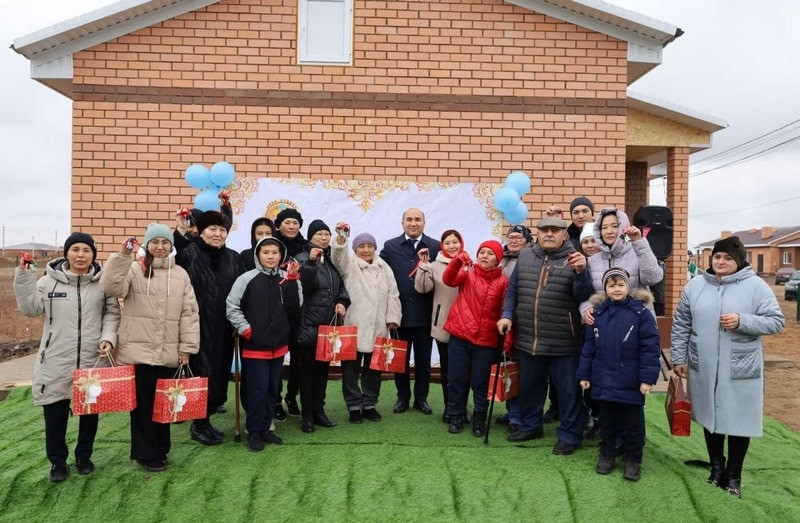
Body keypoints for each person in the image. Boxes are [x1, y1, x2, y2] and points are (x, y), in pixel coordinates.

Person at [670, 236, 784, 498]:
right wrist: (678, 358)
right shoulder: (696, 286)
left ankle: (734, 475)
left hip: (740, 367)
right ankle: (716, 468)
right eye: (718, 257)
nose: (721, 262)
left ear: (740, 261)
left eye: (728, 258)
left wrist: (742, 321)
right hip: (704, 365)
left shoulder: (756, 287)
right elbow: (681, 323)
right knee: (710, 418)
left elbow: (776, 321)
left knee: (738, 420)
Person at [13, 233, 120, 482]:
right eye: (75, 250)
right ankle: (57, 462)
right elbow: (30, 309)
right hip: (56, 358)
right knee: (55, 412)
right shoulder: (48, 283)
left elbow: (112, 313)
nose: (80, 255)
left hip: (93, 358)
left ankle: (84, 456)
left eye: (86, 250)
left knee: (90, 411)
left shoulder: (102, 283)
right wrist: (25, 276)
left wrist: (108, 337)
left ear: (94, 254)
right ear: (66, 253)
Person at [100, 224, 199, 472]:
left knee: (163, 403)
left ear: (171, 246)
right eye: (154, 242)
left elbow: (189, 313)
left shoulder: (181, 275)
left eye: (165, 242)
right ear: (146, 245)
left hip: (168, 352)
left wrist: (186, 348)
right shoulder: (134, 269)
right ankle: (146, 453)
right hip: (138, 351)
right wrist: (123, 257)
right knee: (142, 405)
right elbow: (111, 288)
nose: (160, 247)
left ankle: (161, 449)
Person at [497, 216, 593, 455]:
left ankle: (570, 435)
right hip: (529, 338)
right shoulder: (526, 255)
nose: (549, 234)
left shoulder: (576, 259)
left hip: (564, 341)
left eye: (555, 230)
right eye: (544, 230)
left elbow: (584, 295)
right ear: (537, 233)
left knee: (568, 391)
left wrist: (581, 273)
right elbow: (514, 290)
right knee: (530, 387)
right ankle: (532, 425)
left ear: (564, 235)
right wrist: (507, 314)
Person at [577, 268, 660, 481]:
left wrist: (647, 379)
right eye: (612, 285)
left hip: (630, 381)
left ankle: (633, 459)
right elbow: (589, 348)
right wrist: (585, 375)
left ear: (628, 286)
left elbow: (650, 348)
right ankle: (607, 454)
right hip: (603, 380)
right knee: (607, 421)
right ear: (605, 288)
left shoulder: (640, 314)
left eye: (620, 285)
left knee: (633, 424)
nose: (616, 289)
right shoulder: (597, 314)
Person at [226, 237, 302, 451]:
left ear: (281, 255)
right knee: (257, 390)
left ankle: (268, 428)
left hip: (278, 345)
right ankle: (254, 430)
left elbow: (296, 306)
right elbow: (232, 306)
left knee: (272, 389)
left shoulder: (286, 279)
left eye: (275, 253)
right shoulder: (246, 279)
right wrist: (246, 330)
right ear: (258, 255)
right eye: (266, 252)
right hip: (254, 346)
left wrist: (294, 280)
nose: (270, 256)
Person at [178, 210, 243, 445]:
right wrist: (181, 230)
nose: (217, 234)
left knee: (218, 373)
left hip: (224, 326)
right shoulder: (191, 252)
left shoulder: (234, 258)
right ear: (202, 232)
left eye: (222, 230)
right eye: (212, 229)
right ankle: (198, 423)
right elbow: (175, 254)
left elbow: (240, 292)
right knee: (200, 373)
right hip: (197, 324)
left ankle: (207, 418)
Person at [331, 225, 402, 423]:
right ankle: (354, 406)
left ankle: (369, 404)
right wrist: (341, 238)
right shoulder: (350, 264)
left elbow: (393, 294)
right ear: (355, 249)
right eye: (361, 246)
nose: (366, 250)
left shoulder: (384, 267)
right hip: (353, 326)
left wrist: (393, 318)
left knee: (374, 370)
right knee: (350, 370)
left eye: (370, 246)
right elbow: (338, 257)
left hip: (378, 327)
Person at [443, 240, 509, 437]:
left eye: (490, 253)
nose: (484, 256)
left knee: (480, 382)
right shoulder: (468, 273)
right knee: (456, 379)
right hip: (460, 336)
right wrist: (456, 262)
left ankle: (479, 418)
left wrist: (507, 339)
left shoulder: (503, 282)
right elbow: (449, 279)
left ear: (498, 259)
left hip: (486, 341)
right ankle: (455, 415)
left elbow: (505, 310)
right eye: (482, 252)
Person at [380, 208, 441, 415]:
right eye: (409, 219)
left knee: (423, 361)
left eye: (417, 220)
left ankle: (421, 399)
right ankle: (403, 397)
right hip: (399, 316)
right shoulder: (390, 246)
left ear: (424, 222)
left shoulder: (435, 246)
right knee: (400, 361)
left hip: (426, 315)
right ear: (402, 222)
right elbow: (379, 273)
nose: (413, 223)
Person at [295, 219, 351, 433]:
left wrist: (342, 301)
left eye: (326, 234)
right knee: (308, 373)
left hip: (329, 329)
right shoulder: (301, 259)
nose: (324, 237)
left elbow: (341, 287)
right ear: (310, 237)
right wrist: (310, 263)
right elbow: (304, 286)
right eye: (319, 234)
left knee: (322, 372)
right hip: (309, 326)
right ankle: (307, 415)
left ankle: (319, 411)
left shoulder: (330, 262)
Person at [414, 229, 466, 422]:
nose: (452, 246)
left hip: (467, 327)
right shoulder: (435, 266)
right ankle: (449, 407)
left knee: (463, 371)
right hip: (443, 324)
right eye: (448, 243)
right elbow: (422, 288)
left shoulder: (470, 264)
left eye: (455, 242)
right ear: (442, 246)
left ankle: (461, 408)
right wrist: (423, 267)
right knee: (448, 370)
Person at [580, 207, 663, 324]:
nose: (609, 231)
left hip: (638, 325)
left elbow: (653, 278)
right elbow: (586, 295)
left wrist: (639, 243)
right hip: (606, 326)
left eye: (614, 226)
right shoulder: (592, 261)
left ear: (624, 227)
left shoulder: (637, 251)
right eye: (604, 227)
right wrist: (586, 308)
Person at [495, 225, 532, 432]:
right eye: (511, 237)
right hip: (502, 321)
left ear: (527, 241)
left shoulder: (530, 259)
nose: (514, 240)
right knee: (508, 367)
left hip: (522, 321)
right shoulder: (501, 258)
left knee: (520, 370)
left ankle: (519, 416)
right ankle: (512, 411)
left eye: (519, 237)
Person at [273, 207, 307, 417]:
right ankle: (275, 400)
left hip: (300, 314)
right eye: (287, 222)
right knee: (275, 358)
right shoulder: (272, 246)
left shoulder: (307, 247)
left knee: (299, 360)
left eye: (295, 222)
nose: (292, 226)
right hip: (276, 313)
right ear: (279, 225)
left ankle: (292, 396)